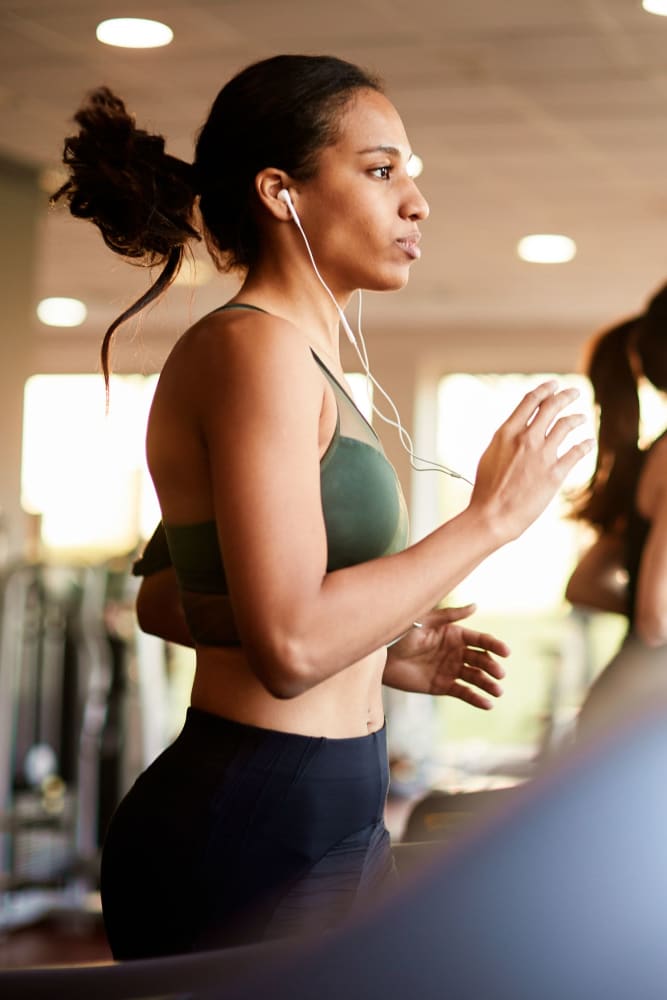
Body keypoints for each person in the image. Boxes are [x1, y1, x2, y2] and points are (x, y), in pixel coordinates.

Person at [53, 54, 591, 959]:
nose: (415, 201)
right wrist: (490, 520)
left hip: (329, 800)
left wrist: (376, 645)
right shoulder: (250, 352)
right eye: (381, 171)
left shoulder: (307, 366)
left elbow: (166, 598)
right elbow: (292, 645)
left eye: (411, 175)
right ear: (281, 192)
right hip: (259, 809)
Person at [566, 284, 667, 740]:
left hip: (624, 704)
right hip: (637, 721)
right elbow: (657, 617)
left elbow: (585, 583)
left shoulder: (655, 453)